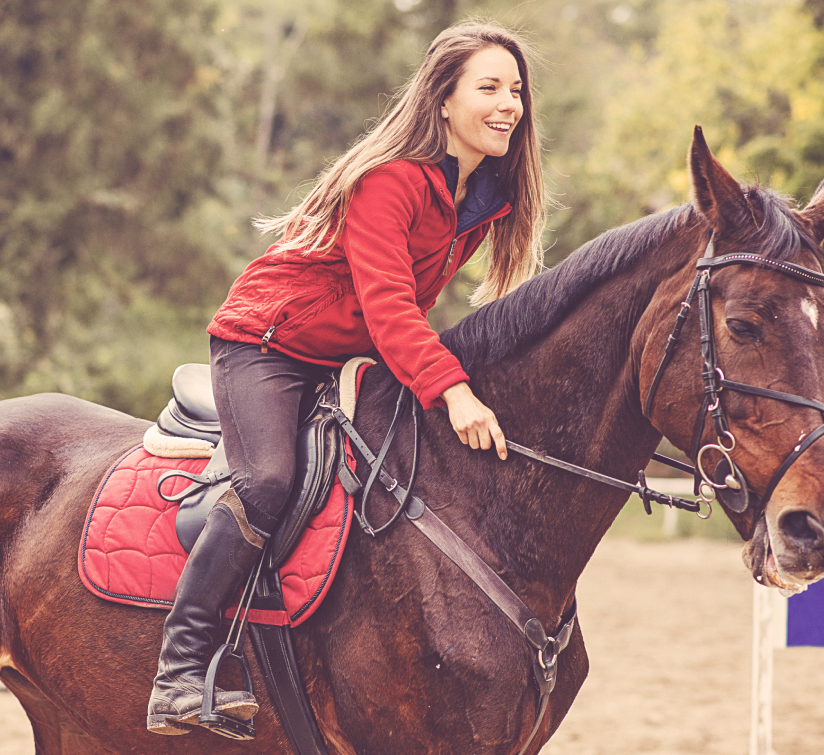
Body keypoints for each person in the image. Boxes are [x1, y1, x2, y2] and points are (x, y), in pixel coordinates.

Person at [147, 20, 548, 738]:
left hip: (347, 354)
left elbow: (406, 314)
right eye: (489, 87)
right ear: (443, 100)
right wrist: (452, 389)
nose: (508, 105)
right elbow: (390, 306)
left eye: (515, 90)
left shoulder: (481, 197)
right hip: (267, 343)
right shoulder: (389, 182)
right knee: (267, 479)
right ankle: (178, 669)